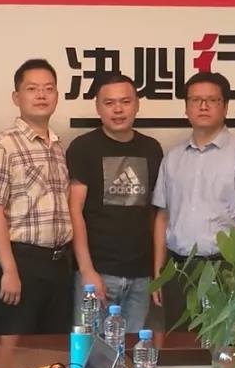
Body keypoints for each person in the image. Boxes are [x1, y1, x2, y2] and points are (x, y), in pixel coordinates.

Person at [152, 72, 235, 332]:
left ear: (225, 106)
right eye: (195, 100)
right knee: (180, 345)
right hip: (178, 270)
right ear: (186, 108)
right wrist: (158, 273)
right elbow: (162, 217)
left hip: (223, 269)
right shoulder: (173, 157)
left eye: (212, 100)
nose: (203, 106)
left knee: (222, 345)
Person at [0, 59, 73, 334]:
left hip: (59, 264)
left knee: (53, 350)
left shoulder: (57, 146)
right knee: (15, 349)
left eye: (49, 88)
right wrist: (9, 270)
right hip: (22, 263)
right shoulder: (2, 145)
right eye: (32, 89)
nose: (41, 95)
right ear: (16, 97)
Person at [67, 72, 163, 332]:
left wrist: (156, 273)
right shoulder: (83, 148)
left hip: (141, 277)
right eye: (109, 103)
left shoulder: (152, 149)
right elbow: (74, 211)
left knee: (133, 351)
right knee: (91, 350)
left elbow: (156, 214)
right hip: (98, 273)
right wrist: (87, 270)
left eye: (125, 101)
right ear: (98, 107)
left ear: (137, 104)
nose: (118, 110)